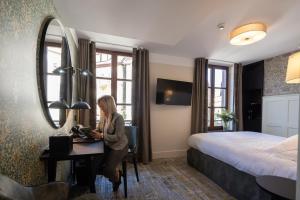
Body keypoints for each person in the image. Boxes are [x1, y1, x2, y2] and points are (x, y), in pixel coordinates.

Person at [90, 95, 128, 192]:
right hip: (107, 145)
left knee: (107, 171)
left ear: (108, 105)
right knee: (94, 164)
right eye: (100, 106)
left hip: (119, 146)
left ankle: (117, 176)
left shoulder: (118, 118)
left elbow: (117, 137)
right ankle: (92, 185)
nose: (101, 109)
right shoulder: (103, 117)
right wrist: (93, 132)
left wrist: (102, 136)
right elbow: (99, 129)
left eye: (102, 106)